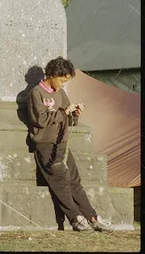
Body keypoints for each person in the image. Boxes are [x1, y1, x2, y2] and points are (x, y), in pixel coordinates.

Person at [27, 56, 112, 232]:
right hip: (45, 144)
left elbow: (70, 120)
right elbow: (40, 120)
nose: (63, 84)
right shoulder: (37, 93)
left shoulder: (61, 94)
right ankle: (75, 218)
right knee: (60, 180)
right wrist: (63, 112)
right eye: (62, 80)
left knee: (74, 180)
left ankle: (92, 216)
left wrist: (74, 114)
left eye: (66, 81)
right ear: (52, 74)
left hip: (62, 143)